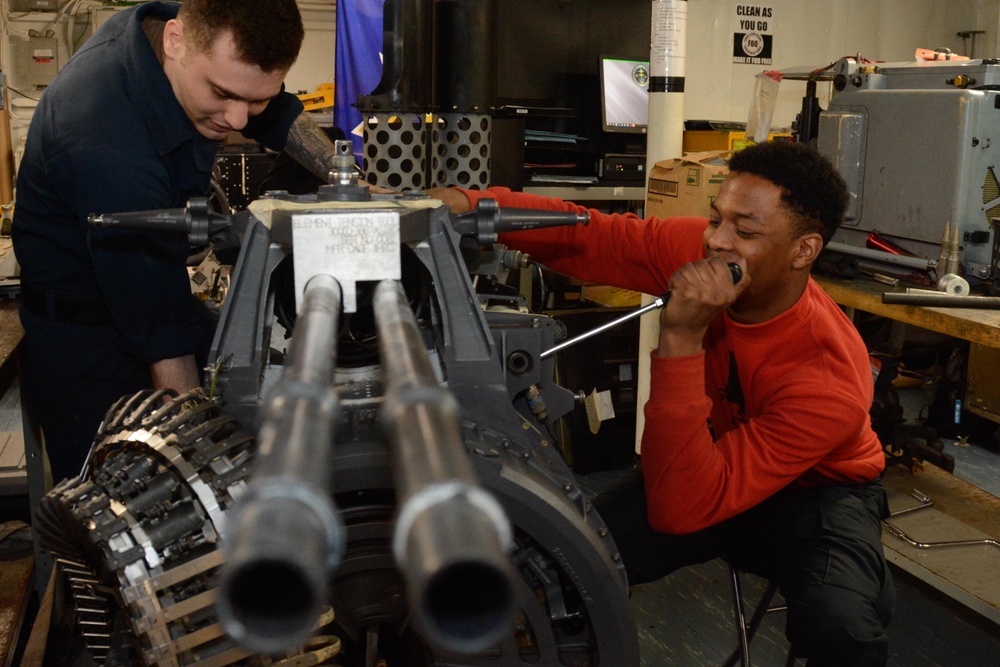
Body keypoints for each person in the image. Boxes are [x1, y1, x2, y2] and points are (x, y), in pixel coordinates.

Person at [428, 140, 895, 666]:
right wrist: (474, 204)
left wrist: (681, 338)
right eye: (716, 218)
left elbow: (680, 512)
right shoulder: (704, 252)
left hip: (818, 493)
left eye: (745, 232)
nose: (717, 241)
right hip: (715, 460)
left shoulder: (828, 377)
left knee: (844, 631)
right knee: (564, 559)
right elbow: (591, 235)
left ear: (803, 251)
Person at [12, 0, 343, 484]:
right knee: (127, 508)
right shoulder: (103, 132)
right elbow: (155, 317)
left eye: (256, 100)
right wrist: (198, 459)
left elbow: (272, 115)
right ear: (174, 41)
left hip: (150, 298)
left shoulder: (183, 39)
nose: (237, 119)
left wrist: (353, 181)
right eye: (223, 94)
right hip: (85, 344)